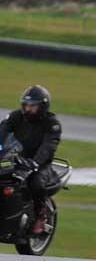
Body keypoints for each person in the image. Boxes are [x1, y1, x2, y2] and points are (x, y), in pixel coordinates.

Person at [0, 85, 62, 235]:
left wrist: (35, 163)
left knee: (36, 183)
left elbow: (48, 146)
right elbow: (2, 131)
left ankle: (41, 213)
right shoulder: (16, 116)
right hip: (14, 157)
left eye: (32, 106)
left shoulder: (52, 124)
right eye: (26, 105)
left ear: (42, 106)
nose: (28, 109)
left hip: (40, 165)